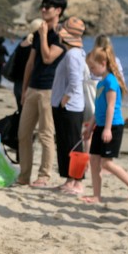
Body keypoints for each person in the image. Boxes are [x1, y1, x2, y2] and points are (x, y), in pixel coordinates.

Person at [80, 39, 128, 204]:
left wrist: (107, 129)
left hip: (113, 126)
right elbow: (98, 109)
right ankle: (96, 195)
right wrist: (90, 127)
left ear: (103, 62)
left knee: (106, 163)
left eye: (93, 67)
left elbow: (111, 107)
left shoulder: (111, 81)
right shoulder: (101, 82)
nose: (91, 70)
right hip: (100, 125)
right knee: (93, 161)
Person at [17, 0, 67, 187]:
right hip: (32, 88)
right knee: (23, 133)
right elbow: (31, 62)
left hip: (50, 90)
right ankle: (24, 175)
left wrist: (45, 35)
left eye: (48, 7)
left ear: (58, 11)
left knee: (46, 134)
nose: (44, 9)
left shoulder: (62, 35)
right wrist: (23, 90)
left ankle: (44, 175)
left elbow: (48, 58)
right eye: (42, 6)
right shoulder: (39, 33)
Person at [49, 17, 87, 196]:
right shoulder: (76, 53)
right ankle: (69, 180)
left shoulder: (73, 54)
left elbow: (75, 80)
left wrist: (64, 100)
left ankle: (76, 182)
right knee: (66, 144)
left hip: (69, 106)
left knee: (72, 145)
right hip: (67, 105)